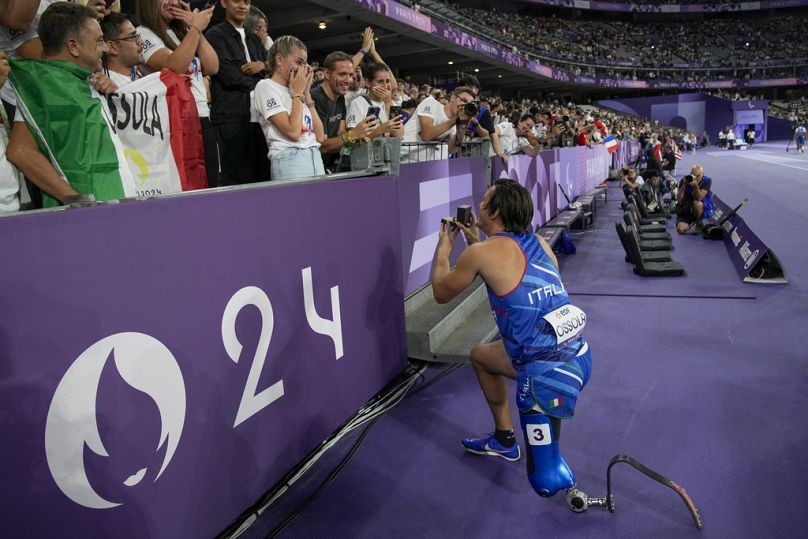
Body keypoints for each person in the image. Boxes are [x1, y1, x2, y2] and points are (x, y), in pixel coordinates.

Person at [430, 179, 592, 499]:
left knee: (544, 481)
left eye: (484, 200)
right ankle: (505, 441)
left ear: (496, 210)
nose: (478, 204)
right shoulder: (540, 243)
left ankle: (558, 476)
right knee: (480, 355)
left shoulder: (480, 253)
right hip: (579, 357)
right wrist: (475, 240)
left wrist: (444, 248)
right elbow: (507, 268)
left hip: (543, 375)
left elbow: (440, 292)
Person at [6, 1, 121, 205]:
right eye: (99, 41)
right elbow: (20, 151)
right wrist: (76, 199)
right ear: (73, 46)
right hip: (85, 220)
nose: (106, 48)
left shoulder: (95, 84)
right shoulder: (45, 87)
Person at [137, 0, 219, 185]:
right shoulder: (144, 34)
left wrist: (193, 27)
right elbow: (175, 65)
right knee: (188, 186)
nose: (173, 2)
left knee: (211, 182)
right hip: (176, 120)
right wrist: (196, 29)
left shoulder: (182, 33)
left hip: (202, 115)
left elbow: (212, 66)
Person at [205, 0, 270, 186]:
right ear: (224, 3)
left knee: (263, 180)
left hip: (259, 121)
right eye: (236, 1)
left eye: (247, 2)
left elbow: (271, 72)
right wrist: (261, 81)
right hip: (230, 120)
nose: (243, 6)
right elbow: (229, 75)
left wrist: (263, 66)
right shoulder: (215, 35)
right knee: (234, 181)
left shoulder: (255, 40)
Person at [253, 35, 325, 180]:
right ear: (279, 59)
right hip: (290, 158)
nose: (302, 69)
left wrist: (306, 94)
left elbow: (320, 136)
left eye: (305, 64)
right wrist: (297, 93)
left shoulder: (297, 89)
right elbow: (292, 132)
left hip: (315, 156)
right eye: (299, 62)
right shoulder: (265, 86)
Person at [310, 50, 377, 172]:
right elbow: (320, 146)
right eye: (342, 74)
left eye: (351, 75)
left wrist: (357, 136)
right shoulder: (315, 98)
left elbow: (340, 133)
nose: (348, 80)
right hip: (311, 168)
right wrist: (352, 135)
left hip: (329, 166)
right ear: (327, 73)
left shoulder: (340, 97)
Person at [400, 85, 475, 162]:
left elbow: (453, 149)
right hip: (400, 157)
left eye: (468, 105)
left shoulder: (454, 124)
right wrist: (454, 120)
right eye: (464, 101)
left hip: (419, 165)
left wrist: (464, 124)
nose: (464, 106)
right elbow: (427, 135)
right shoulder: (431, 103)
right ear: (453, 97)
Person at [344, 62, 403, 142]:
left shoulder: (391, 103)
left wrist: (388, 103)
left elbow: (399, 134)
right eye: (380, 81)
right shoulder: (357, 103)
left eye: (388, 81)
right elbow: (354, 140)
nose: (385, 86)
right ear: (368, 83)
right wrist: (380, 130)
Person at [100, 11, 144, 87]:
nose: (141, 42)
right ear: (112, 47)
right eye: (133, 37)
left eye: (137, 36)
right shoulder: (107, 87)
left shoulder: (135, 75)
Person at [675, 164, 712, 234]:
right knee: (680, 229)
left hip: (700, 207)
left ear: (702, 175)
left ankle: (698, 222)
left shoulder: (707, 181)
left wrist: (695, 186)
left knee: (697, 204)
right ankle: (692, 223)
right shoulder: (685, 180)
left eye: (698, 176)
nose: (695, 177)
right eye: (693, 175)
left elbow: (699, 198)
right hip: (687, 208)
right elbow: (679, 199)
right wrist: (684, 185)